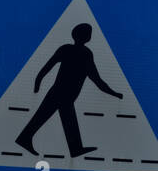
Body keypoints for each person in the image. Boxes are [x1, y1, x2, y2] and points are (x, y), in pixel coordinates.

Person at [15, 22, 123, 158]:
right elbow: (97, 80)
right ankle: (72, 147)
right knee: (46, 118)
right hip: (62, 95)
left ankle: (74, 148)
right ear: (87, 37)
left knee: (61, 120)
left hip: (59, 93)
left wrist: (38, 82)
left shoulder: (67, 49)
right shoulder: (85, 54)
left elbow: (46, 67)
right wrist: (115, 94)